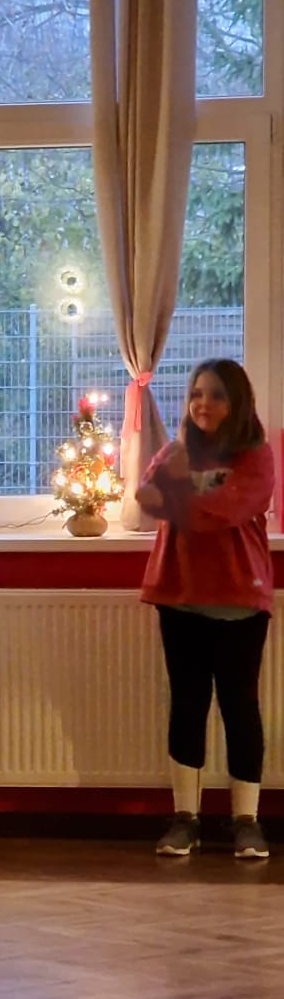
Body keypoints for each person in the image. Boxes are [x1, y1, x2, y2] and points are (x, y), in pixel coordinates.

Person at [137, 358, 274, 862]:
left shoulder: (255, 455)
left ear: (236, 402)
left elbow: (226, 510)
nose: (203, 404)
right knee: (187, 705)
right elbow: (146, 498)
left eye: (216, 395)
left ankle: (246, 821)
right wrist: (171, 489)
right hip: (181, 597)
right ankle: (185, 819)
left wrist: (179, 489)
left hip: (239, 599)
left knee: (240, 707)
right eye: (197, 393)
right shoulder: (175, 449)